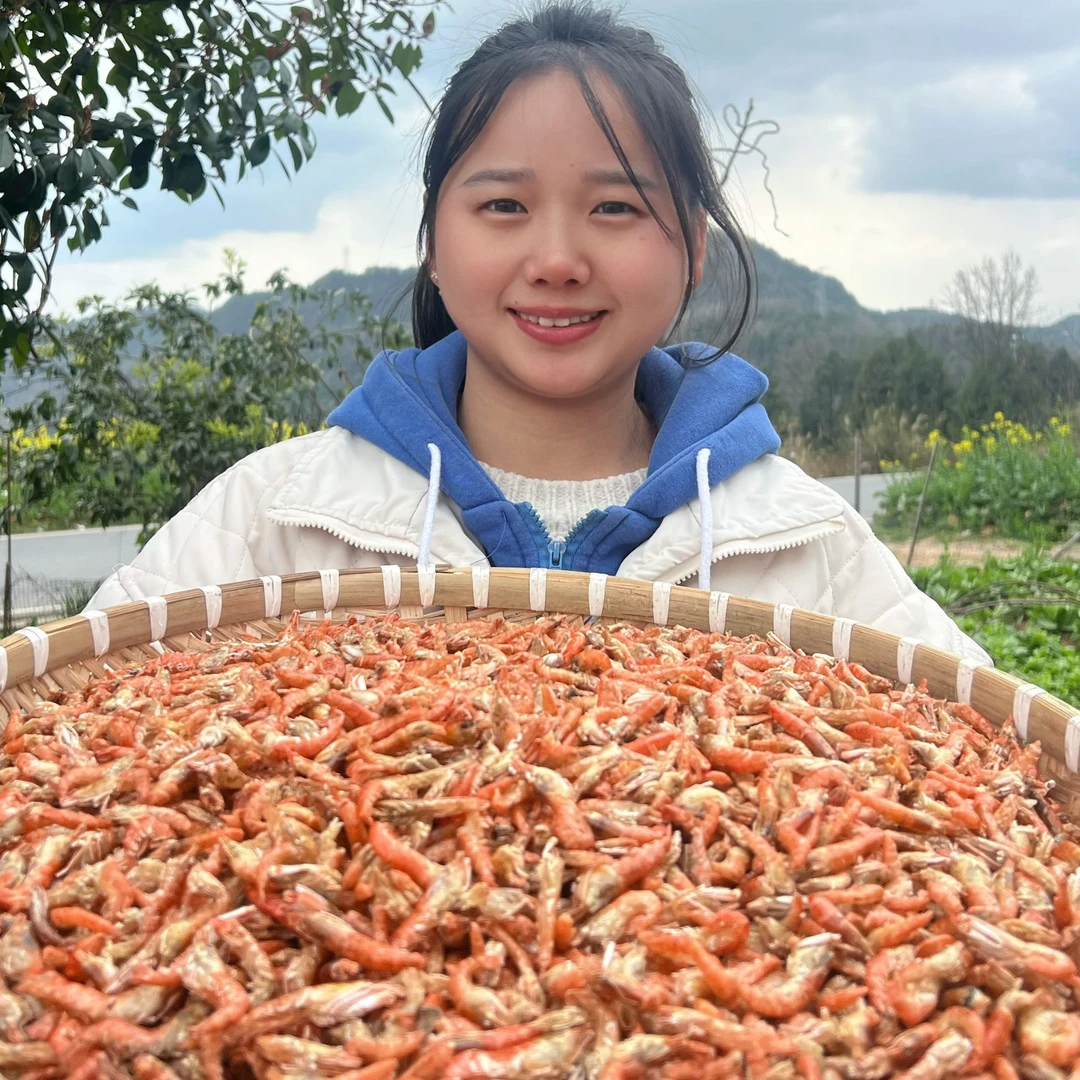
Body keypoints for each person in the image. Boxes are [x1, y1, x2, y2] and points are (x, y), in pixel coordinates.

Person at [87, 2, 987, 663]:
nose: (556, 260)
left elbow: (997, 759)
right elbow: (73, 712)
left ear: (693, 249)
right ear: (435, 243)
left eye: (614, 207)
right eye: (504, 206)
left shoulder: (805, 545)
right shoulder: (273, 523)